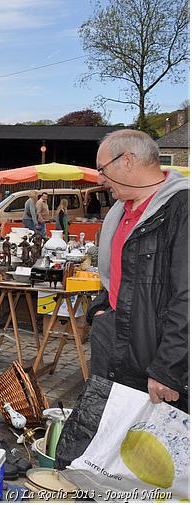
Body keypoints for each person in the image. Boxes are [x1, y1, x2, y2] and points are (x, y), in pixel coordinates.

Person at [88, 129, 188, 412]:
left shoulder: (182, 209)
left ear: (128, 160)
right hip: (114, 351)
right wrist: (100, 310)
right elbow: (115, 275)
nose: (100, 178)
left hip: (156, 362)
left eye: (102, 169)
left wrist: (168, 367)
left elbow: (187, 295)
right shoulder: (118, 212)